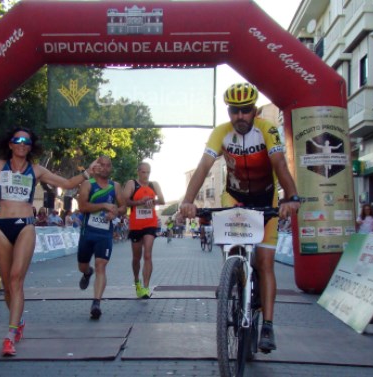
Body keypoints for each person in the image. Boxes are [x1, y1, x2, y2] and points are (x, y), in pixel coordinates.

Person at [0, 127, 96, 357]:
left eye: (26, 141)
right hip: (2, 227)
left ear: (31, 146)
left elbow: (68, 184)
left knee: (17, 279)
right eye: (17, 140)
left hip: (25, 226)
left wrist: (87, 173)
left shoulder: (36, 170)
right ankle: (18, 323)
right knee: (8, 284)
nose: (21, 144)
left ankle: (9, 337)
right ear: (10, 144)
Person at [179, 83, 300, 353]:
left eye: (246, 111)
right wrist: (187, 201)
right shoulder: (221, 133)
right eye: (235, 111)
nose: (240, 117)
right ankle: (231, 278)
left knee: (265, 263)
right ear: (229, 112)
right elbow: (203, 167)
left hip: (265, 199)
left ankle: (267, 324)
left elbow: (280, 163)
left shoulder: (267, 129)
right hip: (234, 197)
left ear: (254, 111)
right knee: (233, 248)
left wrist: (291, 197)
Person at [76, 156, 126, 319]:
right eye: (101, 165)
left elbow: (124, 207)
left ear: (111, 168)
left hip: (104, 234)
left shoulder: (115, 186)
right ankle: (86, 273)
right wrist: (104, 205)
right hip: (87, 232)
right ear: (97, 167)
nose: (105, 168)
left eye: (108, 165)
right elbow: (82, 207)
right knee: (83, 266)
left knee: (101, 266)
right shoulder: (87, 184)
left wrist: (116, 212)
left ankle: (96, 302)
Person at [123, 162, 165, 299]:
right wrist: (140, 202)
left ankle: (146, 287)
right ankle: (137, 281)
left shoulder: (154, 185)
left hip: (150, 223)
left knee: (148, 255)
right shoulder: (131, 184)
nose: (146, 175)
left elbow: (163, 200)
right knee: (137, 258)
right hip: (136, 224)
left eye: (148, 172)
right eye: (143, 172)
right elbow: (125, 201)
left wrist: (153, 201)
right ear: (138, 172)